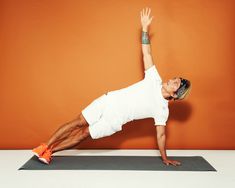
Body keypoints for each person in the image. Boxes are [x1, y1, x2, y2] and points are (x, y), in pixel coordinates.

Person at [32, 7, 191, 166]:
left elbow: (161, 135)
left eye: (175, 83)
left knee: (83, 133)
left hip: (114, 121)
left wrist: (164, 158)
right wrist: (144, 28)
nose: (171, 80)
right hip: (108, 101)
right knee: (78, 122)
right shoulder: (154, 78)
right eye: (174, 79)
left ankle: (50, 152)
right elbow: (147, 53)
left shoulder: (162, 110)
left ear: (175, 95)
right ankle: (44, 146)